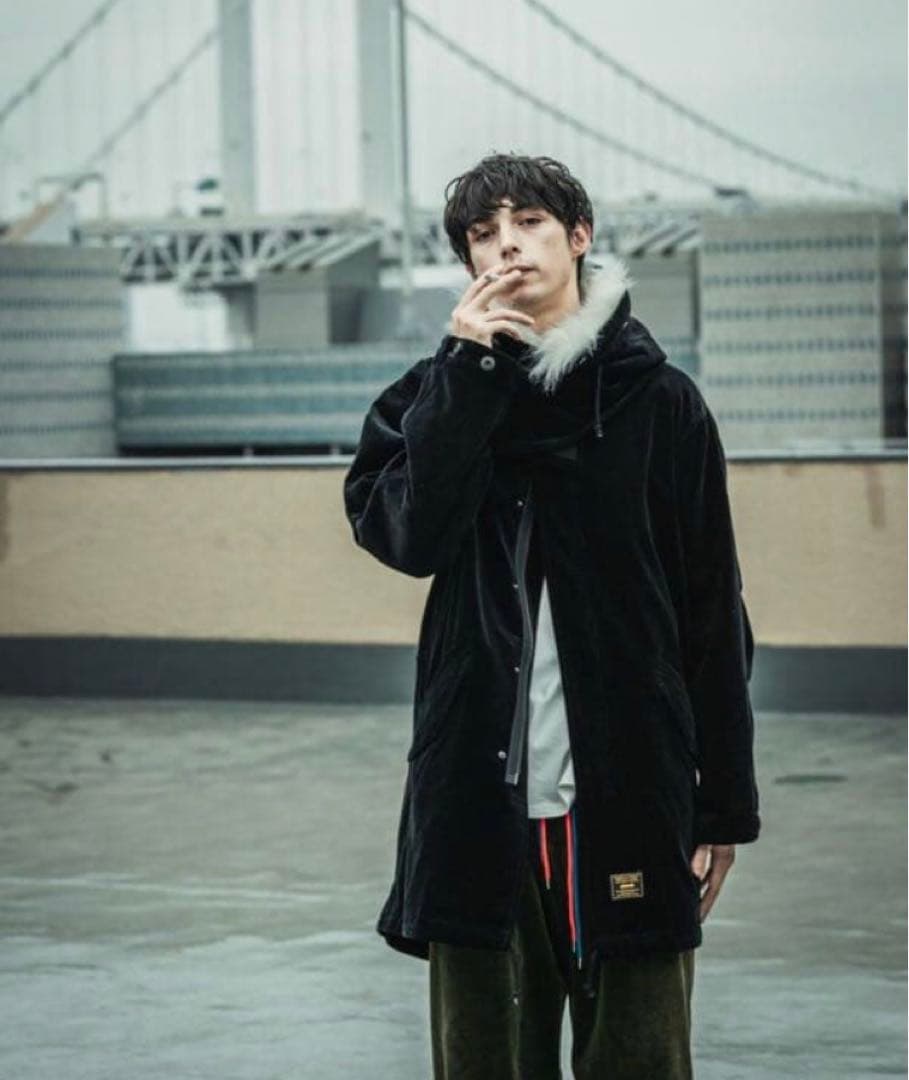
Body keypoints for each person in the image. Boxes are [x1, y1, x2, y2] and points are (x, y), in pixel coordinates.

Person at [343, 153, 760, 1079]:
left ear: (578, 238)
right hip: (473, 803)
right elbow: (406, 537)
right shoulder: (432, 397)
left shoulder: (660, 402)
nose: (506, 245)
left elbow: (711, 612)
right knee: (483, 1061)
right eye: (482, 233)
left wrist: (723, 805)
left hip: (632, 794)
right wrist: (466, 372)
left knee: (641, 1059)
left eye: (527, 222)